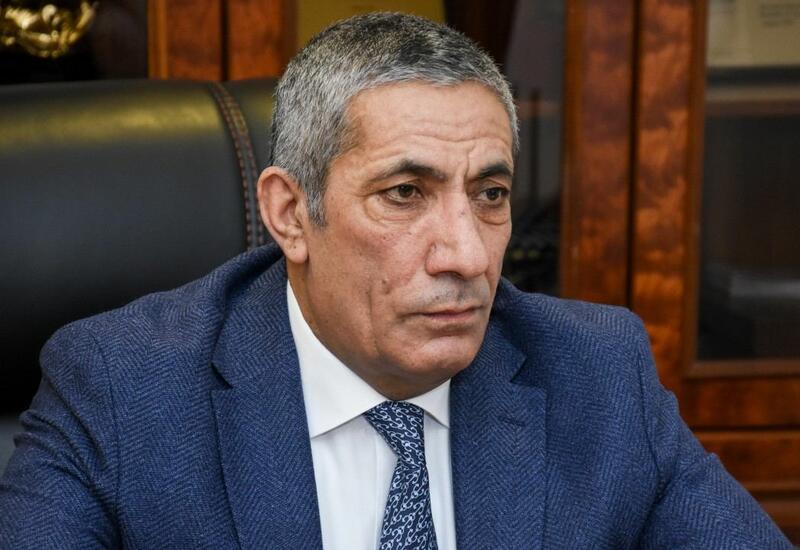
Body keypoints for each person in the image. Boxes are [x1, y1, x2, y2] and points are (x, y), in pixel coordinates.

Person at [0, 12, 792, 550]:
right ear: (289, 213)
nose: (467, 256)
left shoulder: (596, 374)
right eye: (405, 193)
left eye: (490, 194)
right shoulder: (122, 389)